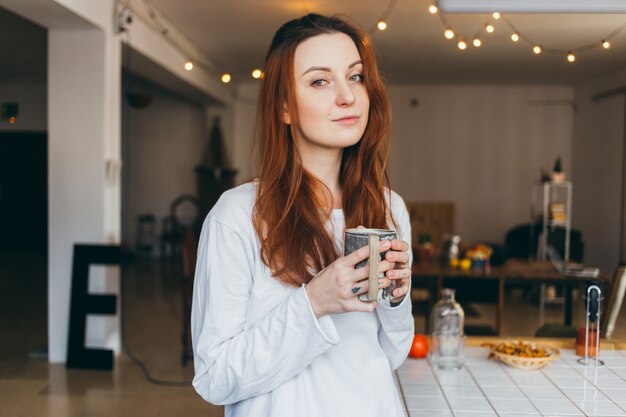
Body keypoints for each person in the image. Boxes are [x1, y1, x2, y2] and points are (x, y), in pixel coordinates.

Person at [191, 13, 414, 417]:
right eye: (319, 81)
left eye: (356, 77)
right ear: (284, 108)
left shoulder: (388, 207)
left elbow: (392, 353)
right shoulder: (238, 215)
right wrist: (313, 302)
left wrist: (396, 300)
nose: (347, 96)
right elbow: (215, 377)